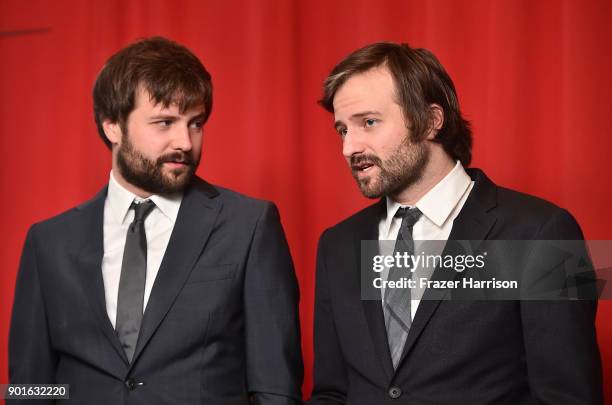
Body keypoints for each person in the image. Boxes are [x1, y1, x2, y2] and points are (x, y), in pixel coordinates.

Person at [9, 36, 303, 404]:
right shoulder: (48, 242)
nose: (184, 141)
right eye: (164, 122)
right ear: (112, 126)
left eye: (195, 123)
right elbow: (29, 387)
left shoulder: (249, 225)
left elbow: (276, 388)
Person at [309, 42, 602, 404]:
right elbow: (332, 392)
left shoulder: (545, 233)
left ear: (432, 121)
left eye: (369, 122)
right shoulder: (337, 244)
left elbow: (568, 396)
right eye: (342, 130)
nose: (349, 147)